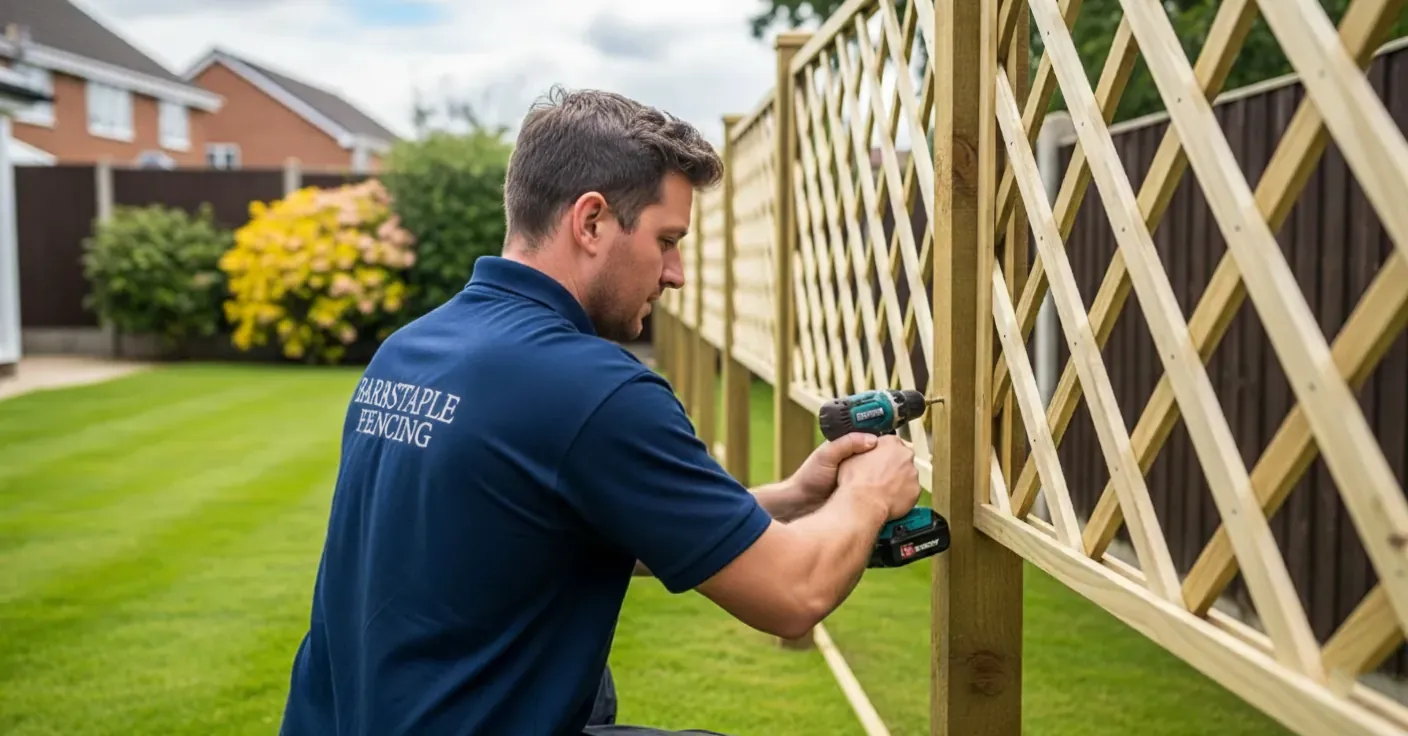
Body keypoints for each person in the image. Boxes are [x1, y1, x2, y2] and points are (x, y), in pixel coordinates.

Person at [277, 86, 923, 736]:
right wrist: (868, 493)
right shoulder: (595, 388)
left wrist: (789, 497)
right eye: (667, 240)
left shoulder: (410, 350)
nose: (677, 274)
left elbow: (570, 526)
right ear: (591, 222)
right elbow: (793, 594)